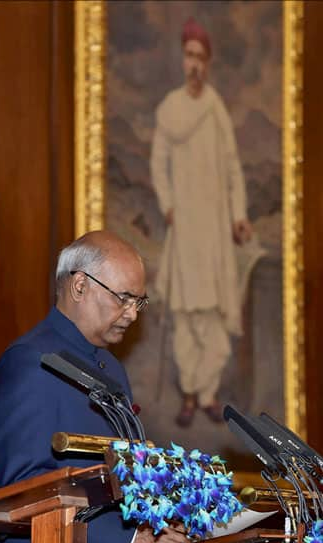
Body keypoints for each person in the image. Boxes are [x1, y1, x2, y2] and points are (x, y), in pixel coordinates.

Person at [0, 230, 187, 543]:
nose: (132, 314)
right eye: (123, 298)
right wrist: (125, 539)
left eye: (138, 302)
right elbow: (27, 485)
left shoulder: (110, 368)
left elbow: (122, 473)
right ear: (79, 285)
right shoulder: (32, 362)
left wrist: (156, 519)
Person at [150, 17, 253, 427]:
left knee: (212, 315)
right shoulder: (170, 109)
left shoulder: (215, 109)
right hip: (185, 225)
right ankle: (190, 393)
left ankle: (207, 393)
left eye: (200, 57)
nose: (193, 64)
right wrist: (168, 203)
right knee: (186, 316)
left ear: (207, 64)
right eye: (188, 56)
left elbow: (231, 168)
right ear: (182, 60)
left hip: (211, 228)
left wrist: (239, 216)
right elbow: (159, 163)